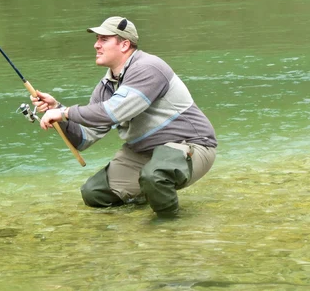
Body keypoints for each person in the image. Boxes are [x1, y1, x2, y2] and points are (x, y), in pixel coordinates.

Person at [31, 16, 217, 218]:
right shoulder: (106, 86)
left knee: (155, 176)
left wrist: (64, 112)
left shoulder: (148, 68)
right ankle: (151, 198)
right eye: (97, 39)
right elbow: (83, 139)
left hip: (191, 145)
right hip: (144, 152)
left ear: (124, 44)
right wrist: (58, 111)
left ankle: (171, 225)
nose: (96, 45)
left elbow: (114, 112)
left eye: (103, 39)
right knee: (94, 193)